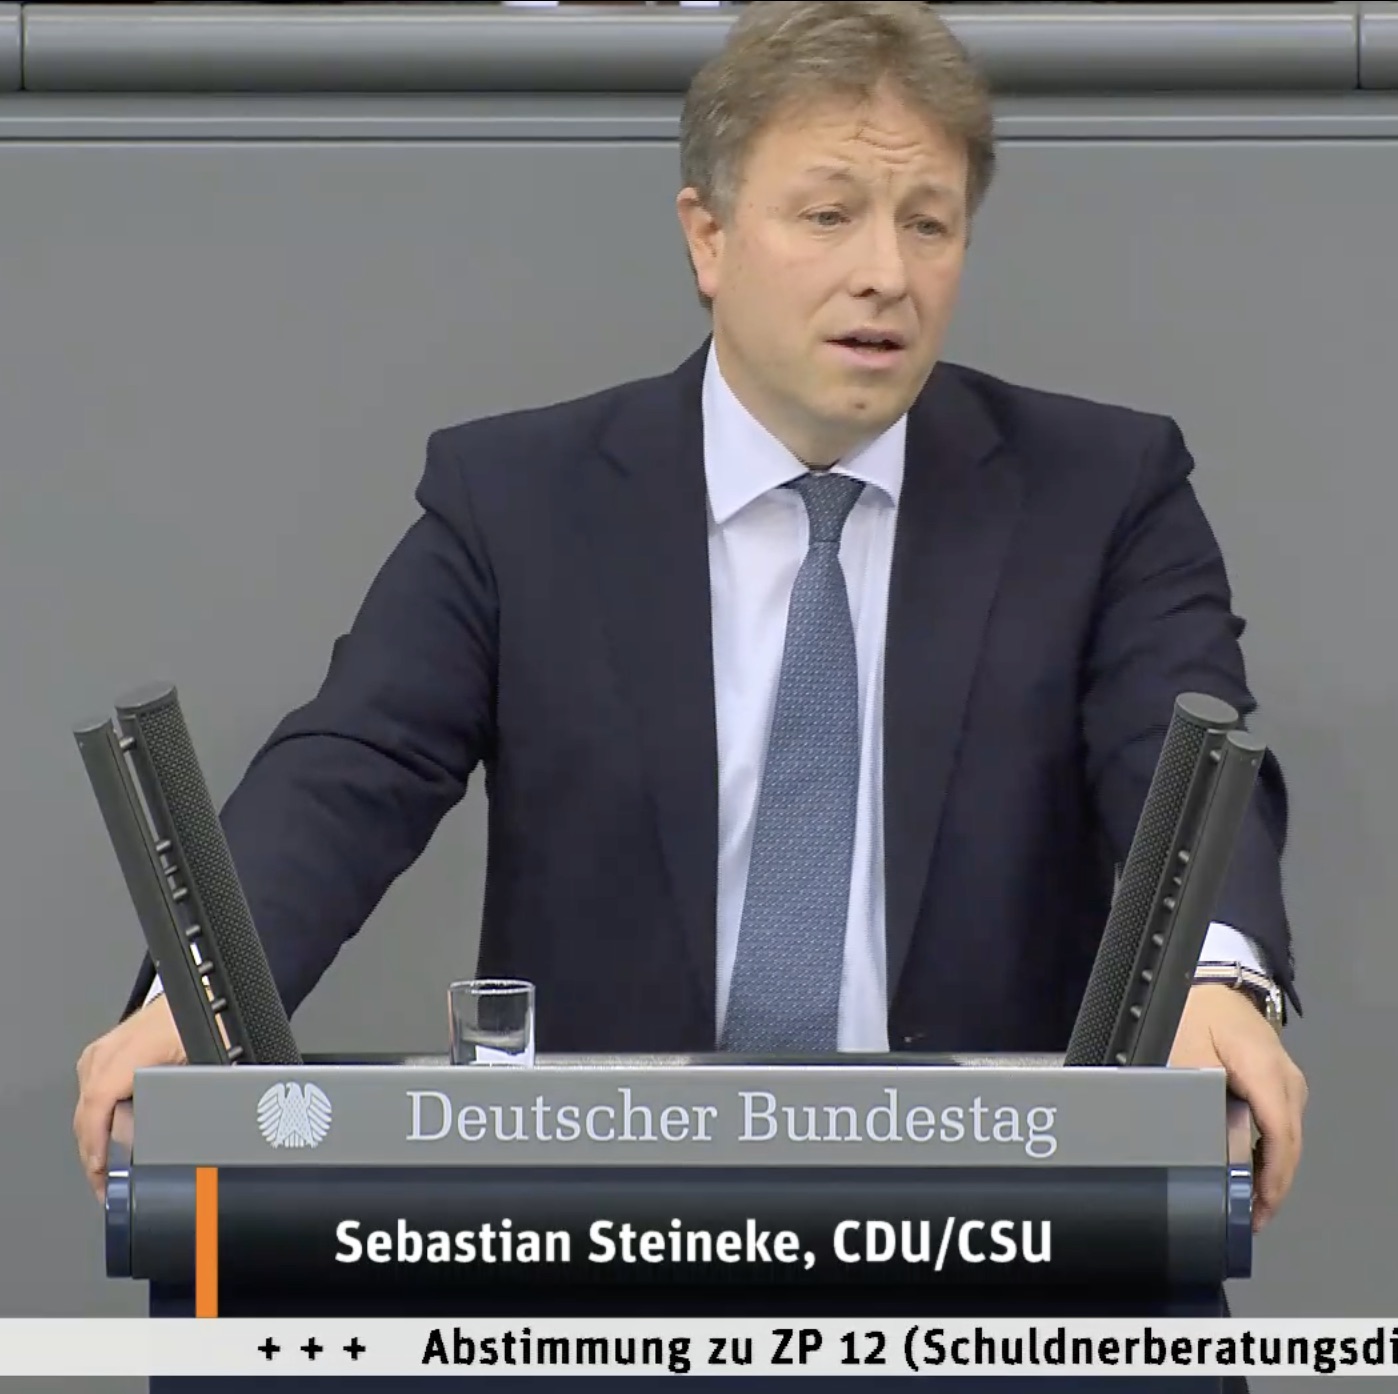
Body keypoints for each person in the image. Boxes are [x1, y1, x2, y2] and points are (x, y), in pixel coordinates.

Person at [76, 0, 1306, 1294]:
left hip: (994, 1244)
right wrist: (198, 1000)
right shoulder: (524, 500)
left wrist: (1218, 984)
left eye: (927, 223)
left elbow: (1181, 756)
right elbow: (352, 766)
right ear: (707, 236)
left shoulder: (1101, 492)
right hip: (611, 1246)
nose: (885, 273)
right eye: (828, 215)